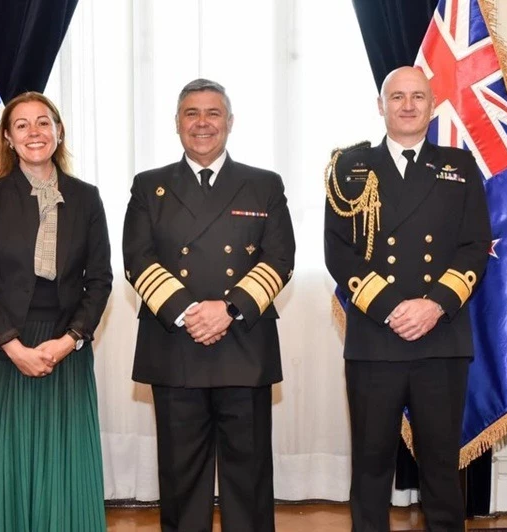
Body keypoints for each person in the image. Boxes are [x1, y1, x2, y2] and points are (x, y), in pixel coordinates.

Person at [123, 79, 295, 532]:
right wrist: (190, 313)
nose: (203, 123)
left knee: (249, 479)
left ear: (230, 122)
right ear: (177, 123)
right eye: (192, 113)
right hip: (175, 345)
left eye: (213, 113)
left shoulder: (263, 184)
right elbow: (137, 259)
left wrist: (228, 309)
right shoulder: (149, 186)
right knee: (181, 479)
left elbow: (280, 259)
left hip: (244, 346)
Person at [324, 66, 492, 531]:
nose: (408, 105)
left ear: (433, 106)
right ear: (380, 106)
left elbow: (475, 245)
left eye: (418, 96)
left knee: (441, 467)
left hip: (441, 337)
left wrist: (434, 304)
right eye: (397, 96)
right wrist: (391, 308)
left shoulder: (460, 167)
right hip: (375, 338)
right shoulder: (350, 168)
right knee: (370, 466)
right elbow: (338, 250)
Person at [0, 91, 112, 531]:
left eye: (43, 122)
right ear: (8, 138)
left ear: (58, 131)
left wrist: (69, 341)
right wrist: (14, 347)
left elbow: (100, 280)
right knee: (0, 465)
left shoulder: (87, 198)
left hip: (64, 348)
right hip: (1, 350)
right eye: (21, 125)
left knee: (62, 464)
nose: (34, 132)